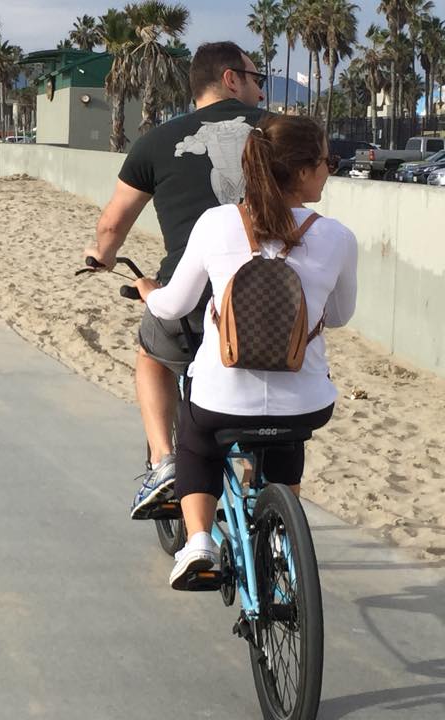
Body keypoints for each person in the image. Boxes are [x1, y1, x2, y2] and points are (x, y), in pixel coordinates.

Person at [133, 115, 356, 588]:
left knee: (196, 440)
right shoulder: (337, 237)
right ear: (300, 172)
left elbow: (175, 305)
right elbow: (338, 317)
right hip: (308, 405)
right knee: (286, 436)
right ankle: (279, 542)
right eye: (325, 162)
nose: (329, 170)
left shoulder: (216, 224)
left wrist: (149, 291)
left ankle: (197, 544)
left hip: (222, 404)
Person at [84, 41, 267, 520]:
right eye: (257, 79)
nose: (262, 93)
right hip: (272, 299)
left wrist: (101, 257)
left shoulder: (156, 141)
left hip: (193, 307)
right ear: (231, 79)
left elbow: (112, 224)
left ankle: (165, 460)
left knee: (151, 353)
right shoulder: (279, 133)